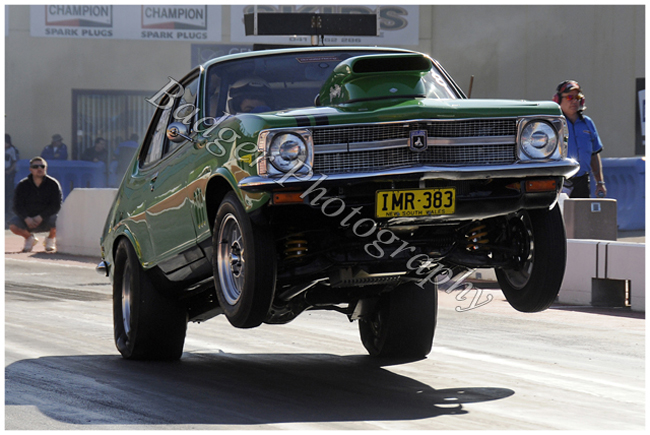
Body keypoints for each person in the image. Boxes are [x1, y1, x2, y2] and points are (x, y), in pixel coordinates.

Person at [553, 80, 606, 198]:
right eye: (569, 97)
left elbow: (594, 154)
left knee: (582, 215)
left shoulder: (587, 123)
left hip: (581, 181)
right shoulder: (554, 123)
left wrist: (600, 182)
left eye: (577, 97)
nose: (574, 101)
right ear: (558, 100)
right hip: (560, 182)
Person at [9, 157, 63, 252]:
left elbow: (56, 205)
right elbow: (17, 206)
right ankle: (29, 238)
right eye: (35, 166)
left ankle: (50, 239)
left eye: (42, 166)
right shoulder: (23, 185)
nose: (39, 169)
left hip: (46, 218)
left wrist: (41, 216)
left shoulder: (53, 184)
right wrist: (26, 218)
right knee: (13, 225)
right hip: (27, 220)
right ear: (30, 169)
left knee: (59, 221)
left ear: (46, 168)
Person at [5, 134, 20, 222]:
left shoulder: (12, 150)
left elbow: (14, 162)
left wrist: (9, 171)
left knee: (8, 192)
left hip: (8, 172)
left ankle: (6, 210)